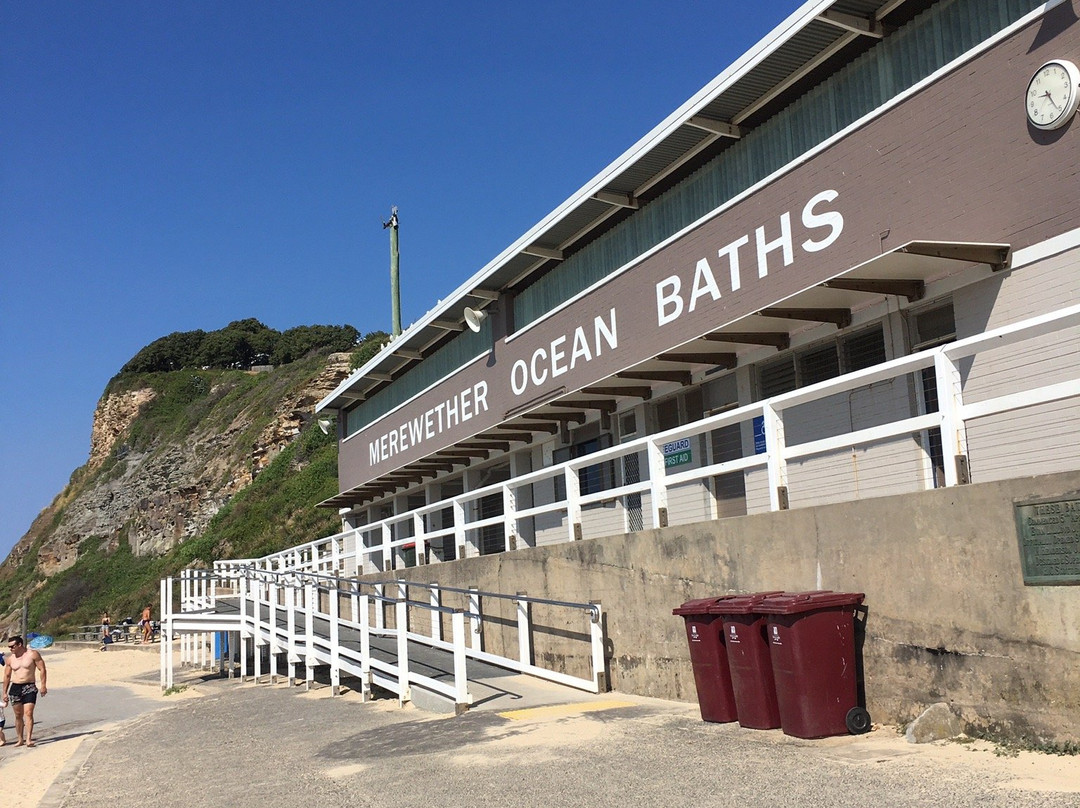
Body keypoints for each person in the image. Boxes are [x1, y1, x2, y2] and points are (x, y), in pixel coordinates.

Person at [2, 635, 48, 747]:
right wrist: (4, 692)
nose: (10, 649)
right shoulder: (10, 659)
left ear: (19, 645)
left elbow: (42, 669)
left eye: (12, 646)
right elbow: (7, 676)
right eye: (9, 647)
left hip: (29, 686)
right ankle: (20, 739)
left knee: (28, 713)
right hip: (15, 687)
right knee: (18, 715)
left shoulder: (32, 654)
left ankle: (28, 739)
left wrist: (43, 685)